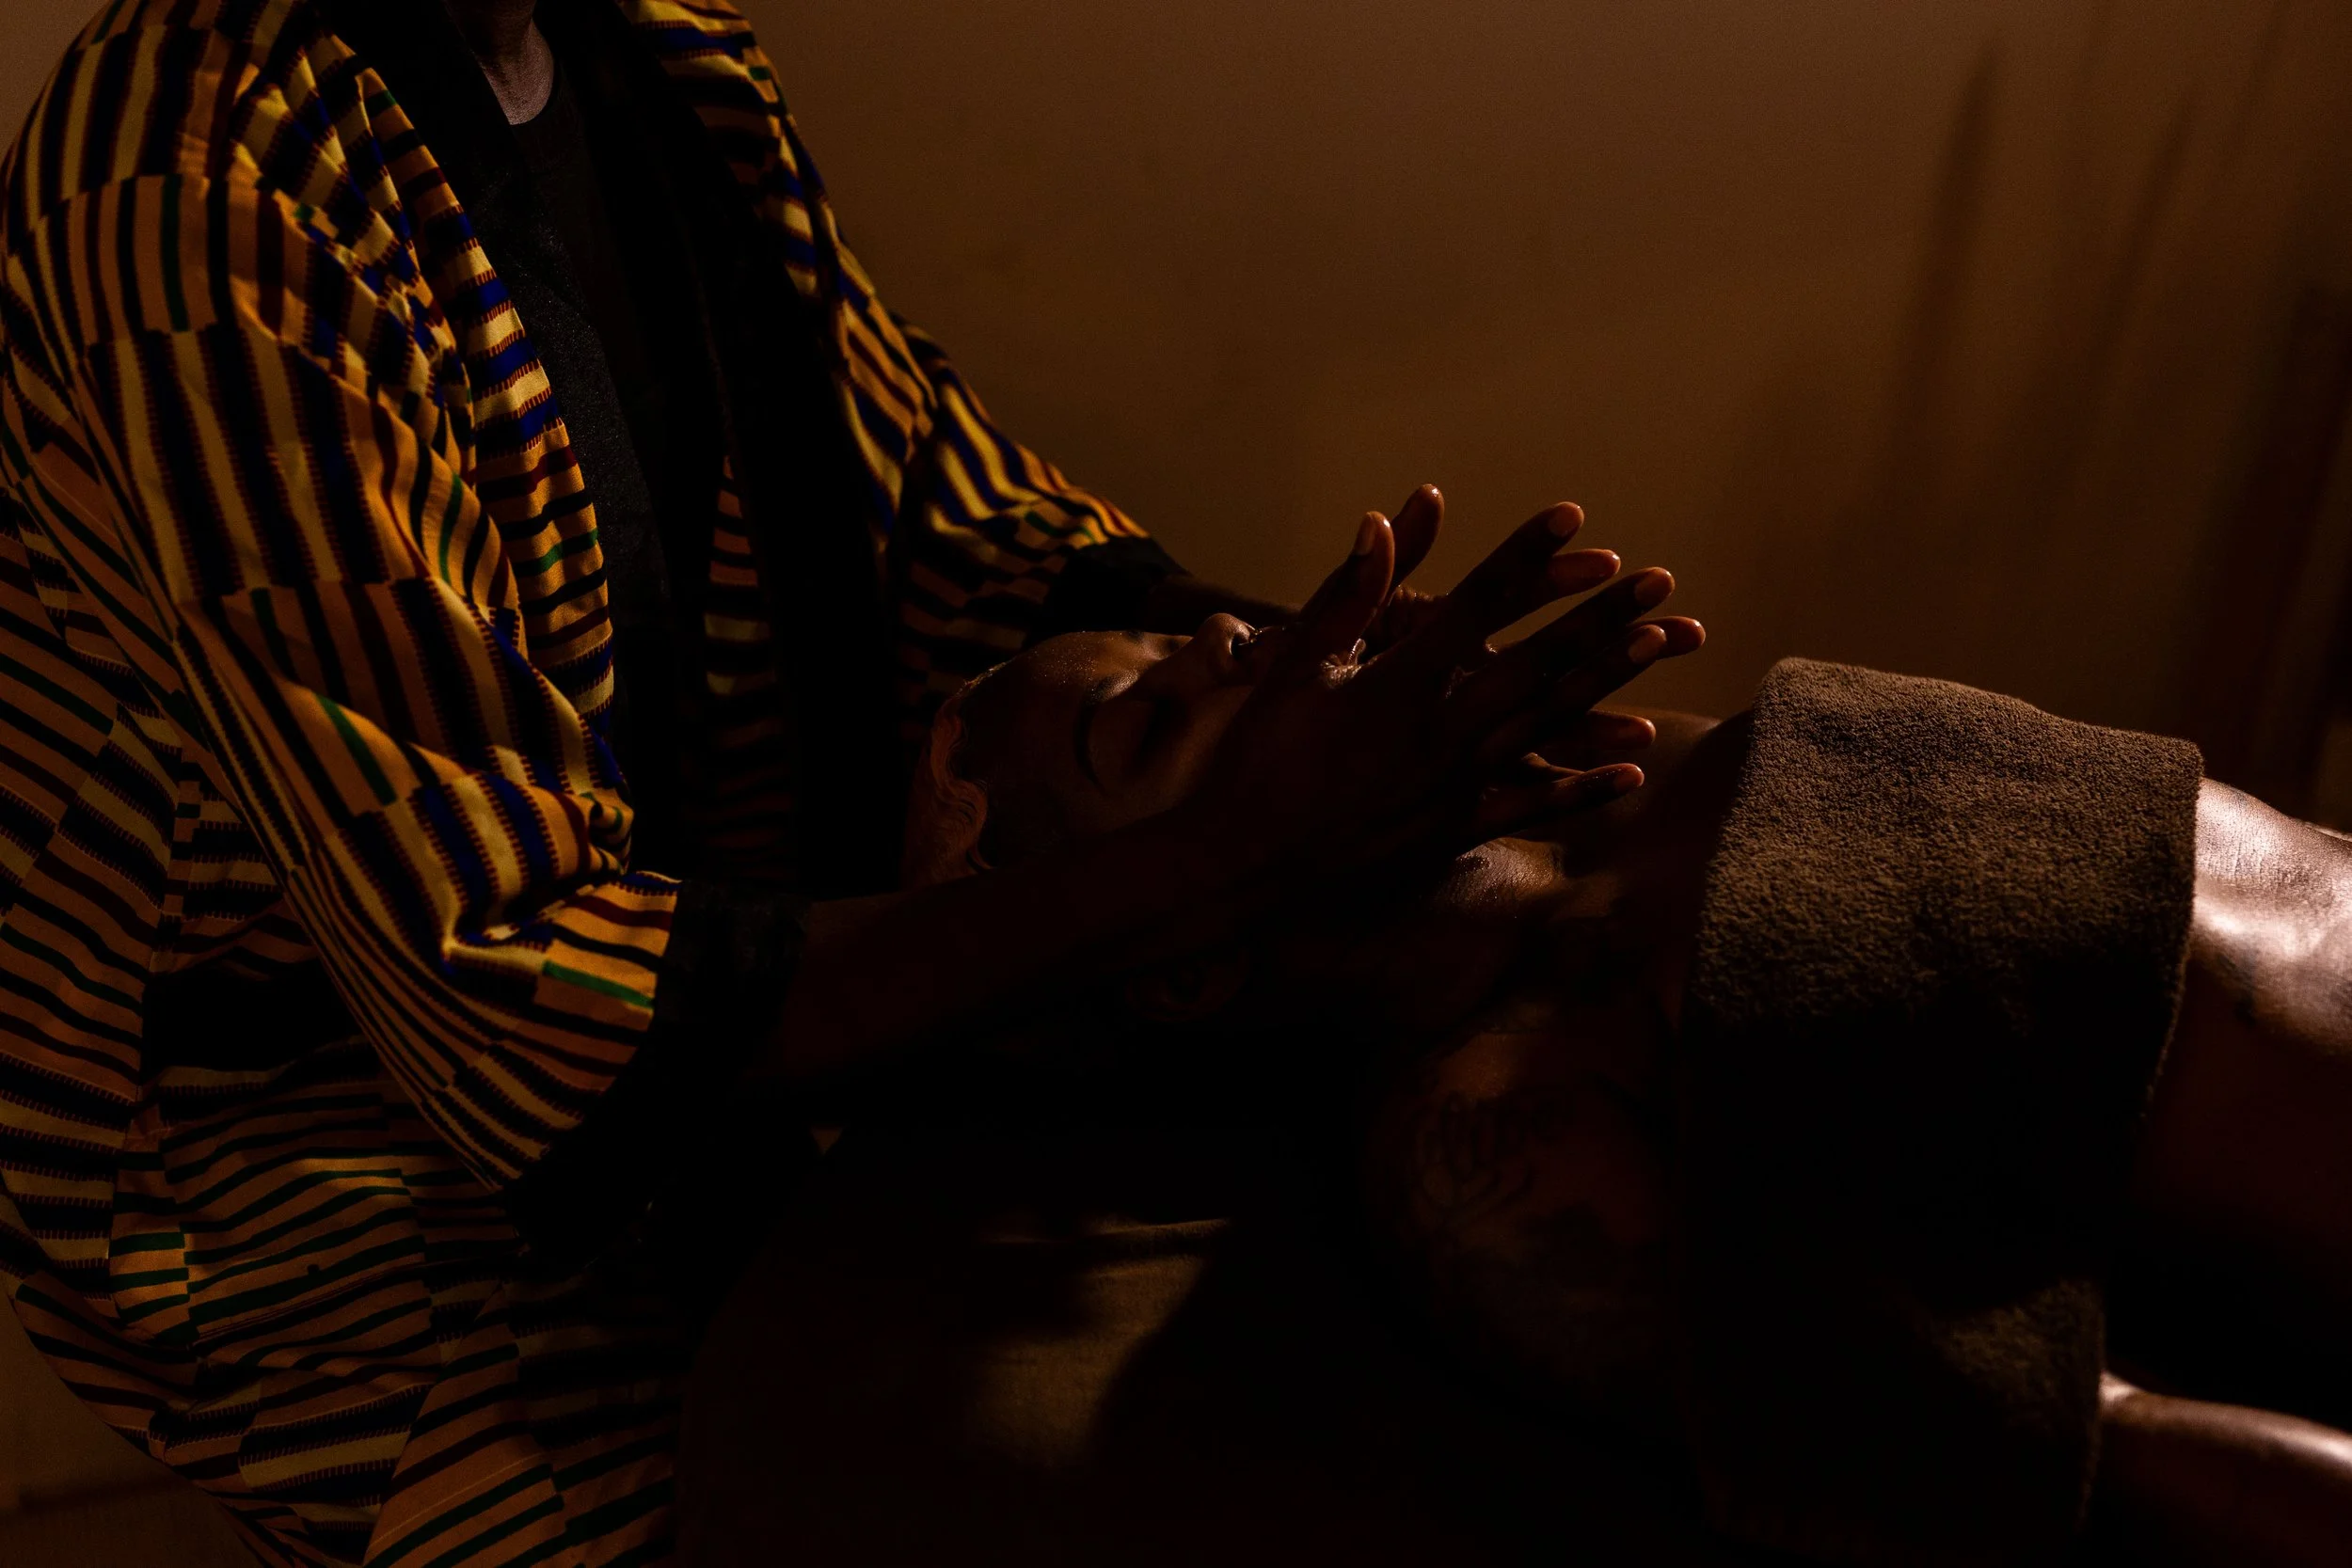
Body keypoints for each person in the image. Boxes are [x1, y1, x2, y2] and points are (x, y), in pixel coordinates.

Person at [0, 0, 1691, 1562]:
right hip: (306, 1164)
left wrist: (1337, 696)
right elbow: (509, 997)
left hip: (714, 991)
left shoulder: (657, 49)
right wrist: (1238, 842)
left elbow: (942, 506)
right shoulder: (201, 193)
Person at [850, 625, 2352, 1567]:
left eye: (1179, 639)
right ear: (1180, 959)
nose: (1234, 644)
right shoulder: (1494, 1128)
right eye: (1145, 723)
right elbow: (2075, 1449)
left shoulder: (1631, 766)